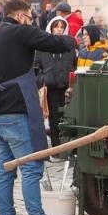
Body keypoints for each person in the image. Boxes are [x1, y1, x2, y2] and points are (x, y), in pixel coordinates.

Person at [0, 0, 77, 215]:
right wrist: (72, 37)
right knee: (31, 167)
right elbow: (55, 43)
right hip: (17, 110)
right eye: (29, 17)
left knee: (4, 169)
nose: (30, 21)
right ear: (21, 16)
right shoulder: (21, 32)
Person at [37, 17, 78, 149]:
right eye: (56, 27)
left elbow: (73, 62)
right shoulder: (43, 45)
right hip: (51, 86)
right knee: (54, 117)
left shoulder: (69, 44)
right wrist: (42, 79)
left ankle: (66, 144)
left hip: (66, 86)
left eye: (61, 27)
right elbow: (37, 66)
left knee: (67, 116)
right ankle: (56, 146)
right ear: (51, 28)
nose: (59, 29)